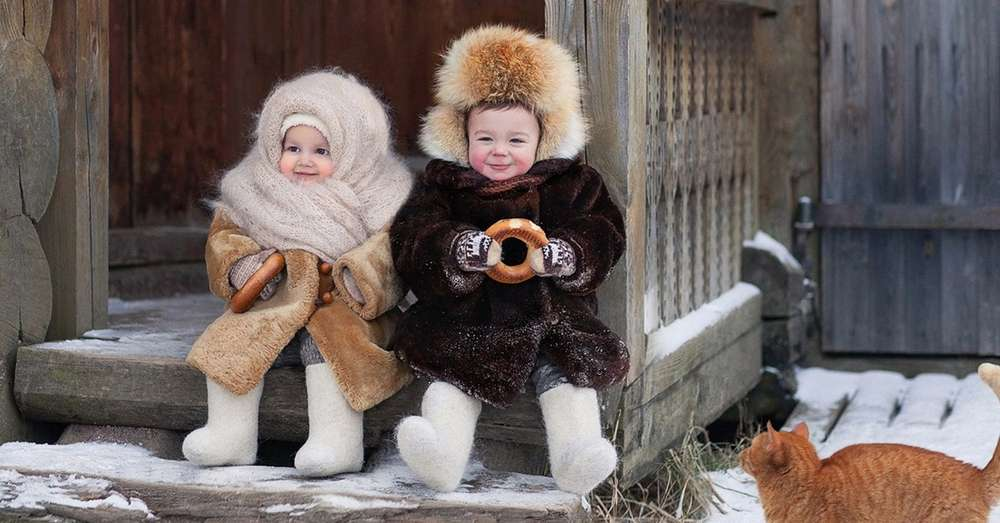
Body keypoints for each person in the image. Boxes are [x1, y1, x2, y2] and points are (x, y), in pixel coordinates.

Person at [389, 26, 629, 495]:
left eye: (516, 141)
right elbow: (413, 238)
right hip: (465, 320)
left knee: (568, 379)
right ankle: (441, 455)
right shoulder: (443, 186)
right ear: (461, 135)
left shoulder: (573, 184)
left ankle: (576, 455)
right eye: (485, 139)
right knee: (450, 378)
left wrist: (567, 256)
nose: (499, 152)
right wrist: (458, 250)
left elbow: (603, 232)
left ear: (544, 138)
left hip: (552, 320)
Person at [183, 70, 412, 477]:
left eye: (322, 151)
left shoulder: (382, 196)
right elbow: (225, 236)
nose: (304, 160)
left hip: (344, 307)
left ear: (352, 152)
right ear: (274, 145)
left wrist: (363, 277)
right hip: (277, 301)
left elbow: (393, 252)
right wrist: (244, 265)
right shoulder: (251, 189)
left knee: (329, 345)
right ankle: (229, 435)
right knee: (233, 339)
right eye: (293, 147)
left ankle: (337, 441)